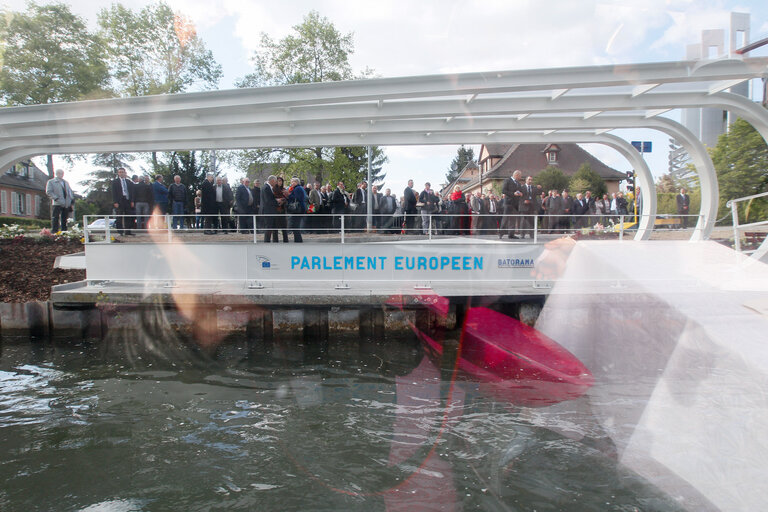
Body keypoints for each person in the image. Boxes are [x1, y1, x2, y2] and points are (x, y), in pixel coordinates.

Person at [45, 168, 73, 233]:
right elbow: (49, 192)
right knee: (55, 217)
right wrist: (56, 198)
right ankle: (54, 231)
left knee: (64, 218)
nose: (61, 175)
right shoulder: (51, 182)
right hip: (57, 203)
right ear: (56, 174)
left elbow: (69, 191)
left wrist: (70, 199)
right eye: (59, 173)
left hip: (66, 203)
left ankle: (64, 231)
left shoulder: (66, 182)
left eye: (62, 173)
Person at [111, 167, 134, 235]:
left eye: (122, 172)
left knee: (128, 216)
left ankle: (128, 231)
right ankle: (120, 231)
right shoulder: (115, 182)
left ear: (125, 173)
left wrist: (132, 201)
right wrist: (115, 202)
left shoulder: (129, 182)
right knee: (119, 216)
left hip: (127, 200)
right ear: (118, 173)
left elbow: (132, 192)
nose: (121, 173)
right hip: (119, 201)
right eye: (120, 172)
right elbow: (113, 192)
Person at [501, 170, 523, 239]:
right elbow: (503, 190)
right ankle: (501, 233)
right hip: (508, 203)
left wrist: (520, 194)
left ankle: (511, 234)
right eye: (520, 176)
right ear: (516, 175)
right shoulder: (507, 181)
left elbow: (520, 191)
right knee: (505, 219)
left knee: (513, 220)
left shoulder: (518, 184)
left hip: (515, 204)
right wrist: (513, 194)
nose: (520, 177)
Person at [286, 177, 307, 242]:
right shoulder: (299, 188)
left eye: (293, 182)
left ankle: (298, 240)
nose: (292, 183)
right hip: (300, 208)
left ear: (297, 182)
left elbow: (297, 198)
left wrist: (289, 195)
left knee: (295, 225)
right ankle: (298, 239)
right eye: (291, 182)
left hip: (297, 209)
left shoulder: (297, 188)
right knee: (296, 225)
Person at [260, 175, 280, 243]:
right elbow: (268, 200)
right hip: (268, 211)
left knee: (274, 227)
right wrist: (277, 201)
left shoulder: (267, 187)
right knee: (269, 227)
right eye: (275, 182)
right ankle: (267, 241)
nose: (276, 183)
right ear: (272, 181)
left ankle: (275, 241)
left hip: (270, 211)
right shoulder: (266, 188)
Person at [273, 176, 289, 242]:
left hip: (283, 209)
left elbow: (287, 198)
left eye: (281, 181)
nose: (280, 182)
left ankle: (285, 240)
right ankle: (275, 240)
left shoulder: (283, 189)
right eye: (279, 181)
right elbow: (273, 198)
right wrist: (279, 200)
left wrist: (285, 196)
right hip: (276, 209)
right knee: (275, 226)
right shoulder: (273, 189)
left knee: (284, 225)